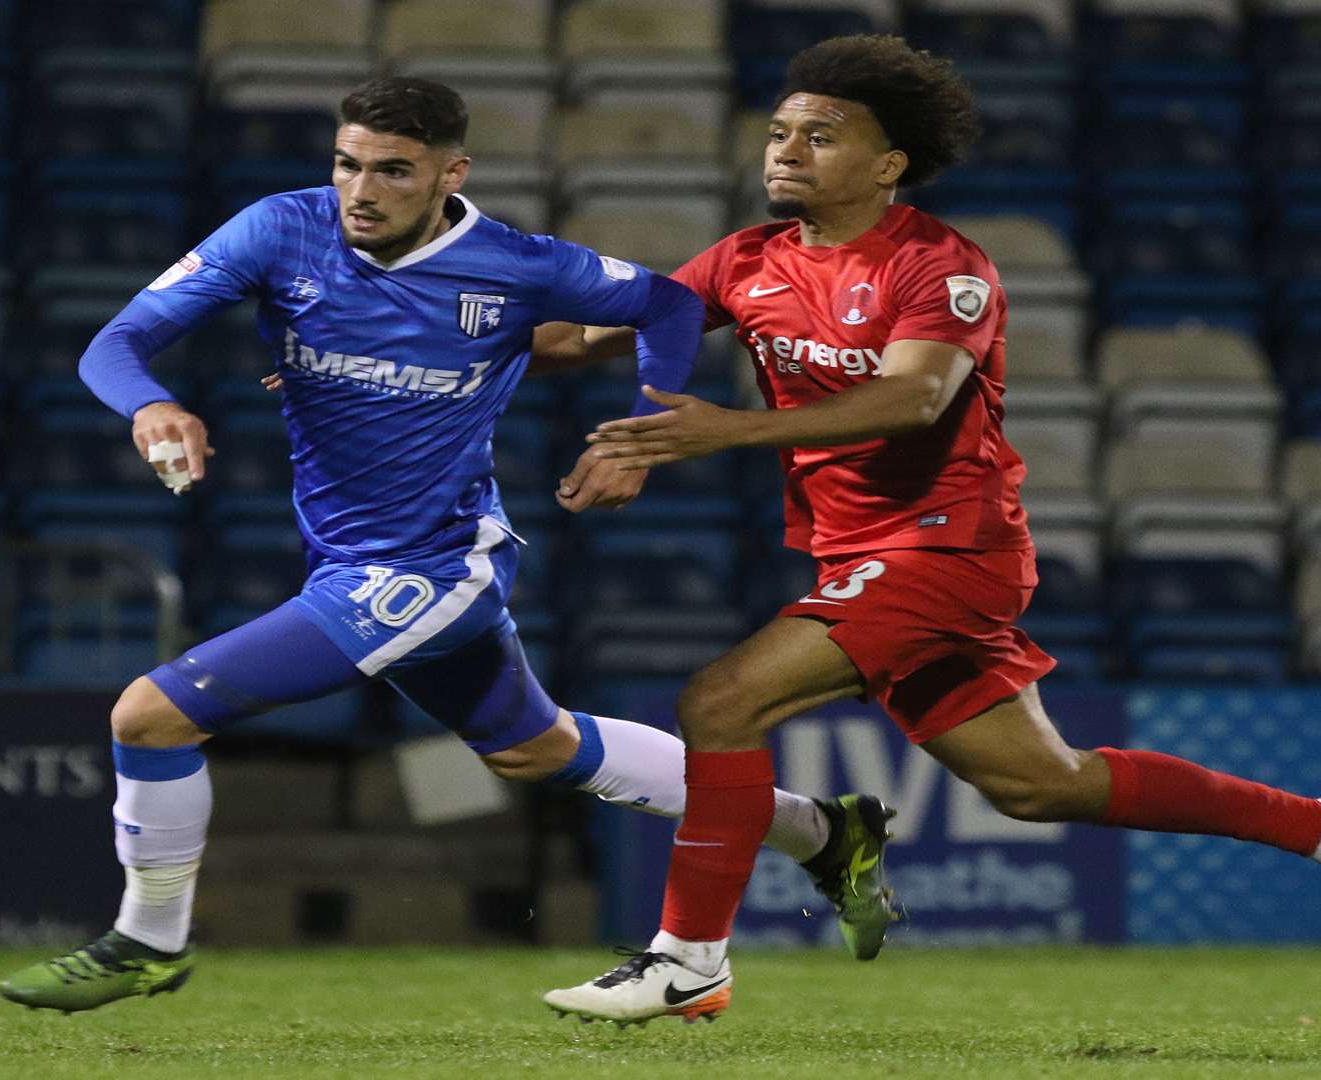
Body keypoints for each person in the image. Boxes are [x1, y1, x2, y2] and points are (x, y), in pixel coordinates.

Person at [0, 76, 895, 1015]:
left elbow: (666, 305)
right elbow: (117, 341)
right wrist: (152, 403)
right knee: (534, 749)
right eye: (348, 164)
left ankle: (147, 941)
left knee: (150, 715)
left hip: (432, 568)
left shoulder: (513, 263)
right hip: (349, 558)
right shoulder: (279, 230)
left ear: (449, 174)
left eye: (393, 171)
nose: (361, 191)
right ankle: (821, 834)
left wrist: (643, 434)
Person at [532, 34, 1321, 1027]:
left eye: (821, 136)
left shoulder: (941, 265)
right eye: (780, 132)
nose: (786, 150)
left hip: (948, 548)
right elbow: (573, 338)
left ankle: (688, 963)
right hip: (862, 553)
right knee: (1043, 787)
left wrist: (725, 430)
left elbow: (913, 400)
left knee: (722, 702)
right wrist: (421, 331)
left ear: (888, 164)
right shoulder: (747, 260)